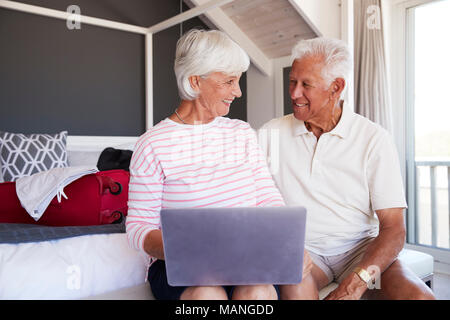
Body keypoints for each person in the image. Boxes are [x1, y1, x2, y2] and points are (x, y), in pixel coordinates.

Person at [126, 29, 312, 300]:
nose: (237, 92)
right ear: (194, 81)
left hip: (245, 259)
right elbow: (138, 227)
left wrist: (286, 243)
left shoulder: (241, 132)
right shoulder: (152, 144)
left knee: (259, 291)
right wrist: (191, 248)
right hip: (182, 267)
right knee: (207, 293)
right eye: (229, 82)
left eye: (238, 81)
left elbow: (266, 196)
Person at [258, 37, 435, 300]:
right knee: (296, 288)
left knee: (419, 297)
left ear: (336, 87)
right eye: (292, 82)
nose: (294, 93)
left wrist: (356, 283)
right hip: (304, 251)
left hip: (361, 251)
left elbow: (394, 229)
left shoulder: (374, 138)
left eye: (306, 84)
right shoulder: (271, 133)